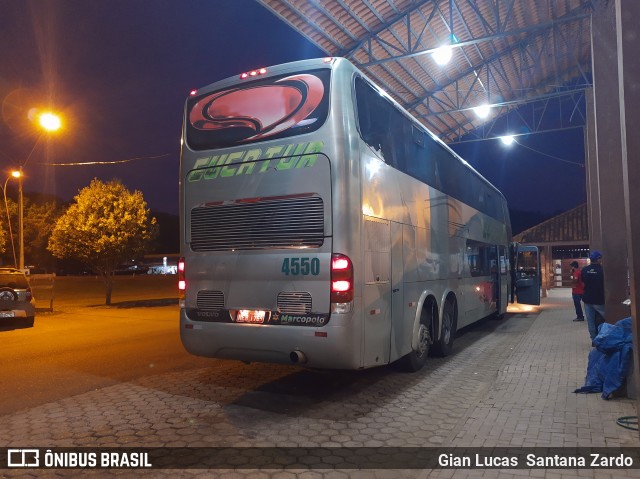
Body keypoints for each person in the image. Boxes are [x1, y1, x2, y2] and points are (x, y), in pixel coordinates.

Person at [582, 250, 605, 341]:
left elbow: (583, 281)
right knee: (607, 317)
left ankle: (594, 340)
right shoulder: (602, 270)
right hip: (599, 299)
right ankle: (605, 337)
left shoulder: (585, 270)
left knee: (590, 321)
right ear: (599, 259)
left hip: (587, 299)